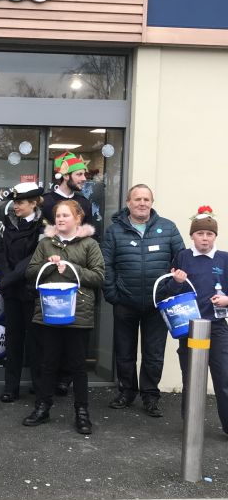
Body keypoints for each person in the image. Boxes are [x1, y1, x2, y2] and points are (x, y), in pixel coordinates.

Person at [23, 199, 105, 435]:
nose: (60, 219)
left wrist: (71, 268)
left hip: (77, 314)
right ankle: (43, 407)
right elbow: (30, 272)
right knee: (47, 363)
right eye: (57, 215)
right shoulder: (46, 244)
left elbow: (99, 276)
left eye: (65, 215)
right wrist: (48, 267)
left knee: (78, 366)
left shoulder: (90, 245)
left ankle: (82, 412)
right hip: (49, 312)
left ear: (78, 218)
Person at [102, 184, 184, 417]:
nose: (142, 203)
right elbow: (106, 266)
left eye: (146, 199)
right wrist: (113, 295)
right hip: (125, 303)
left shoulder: (168, 228)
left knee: (153, 353)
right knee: (125, 352)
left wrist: (169, 292)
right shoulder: (114, 231)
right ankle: (126, 392)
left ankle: (150, 396)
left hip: (157, 305)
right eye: (137, 199)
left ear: (152, 202)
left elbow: (180, 262)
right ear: (128, 202)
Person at [162, 206, 228, 434]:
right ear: (192, 235)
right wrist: (177, 281)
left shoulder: (224, 259)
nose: (205, 238)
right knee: (191, 379)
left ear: (215, 236)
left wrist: (227, 300)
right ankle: (191, 424)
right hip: (189, 328)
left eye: (209, 234)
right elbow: (167, 291)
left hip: (217, 327)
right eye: (200, 233)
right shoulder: (182, 256)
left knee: (223, 377)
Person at [41, 152, 94, 397]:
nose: (84, 178)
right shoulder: (47, 201)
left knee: (75, 348)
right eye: (80, 174)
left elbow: (88, 243)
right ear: (65, 175)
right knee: (50, 347)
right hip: (52, 280)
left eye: (84, 173)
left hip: (76, 285)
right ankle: (45, 396)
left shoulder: (85, 202)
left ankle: (67, 382)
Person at [0, 182, 44, 403]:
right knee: (13, 341)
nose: (15, 206)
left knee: (35, 343)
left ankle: (39, 387)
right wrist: (7, 278)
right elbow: (3, 254)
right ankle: (10, 387)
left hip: (30, 290)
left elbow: (34, 259)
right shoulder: (10, 223)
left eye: (20, 202)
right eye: (15, 202)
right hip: (12, 291)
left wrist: (8, 278)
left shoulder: (43, 227)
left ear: (33, 204)